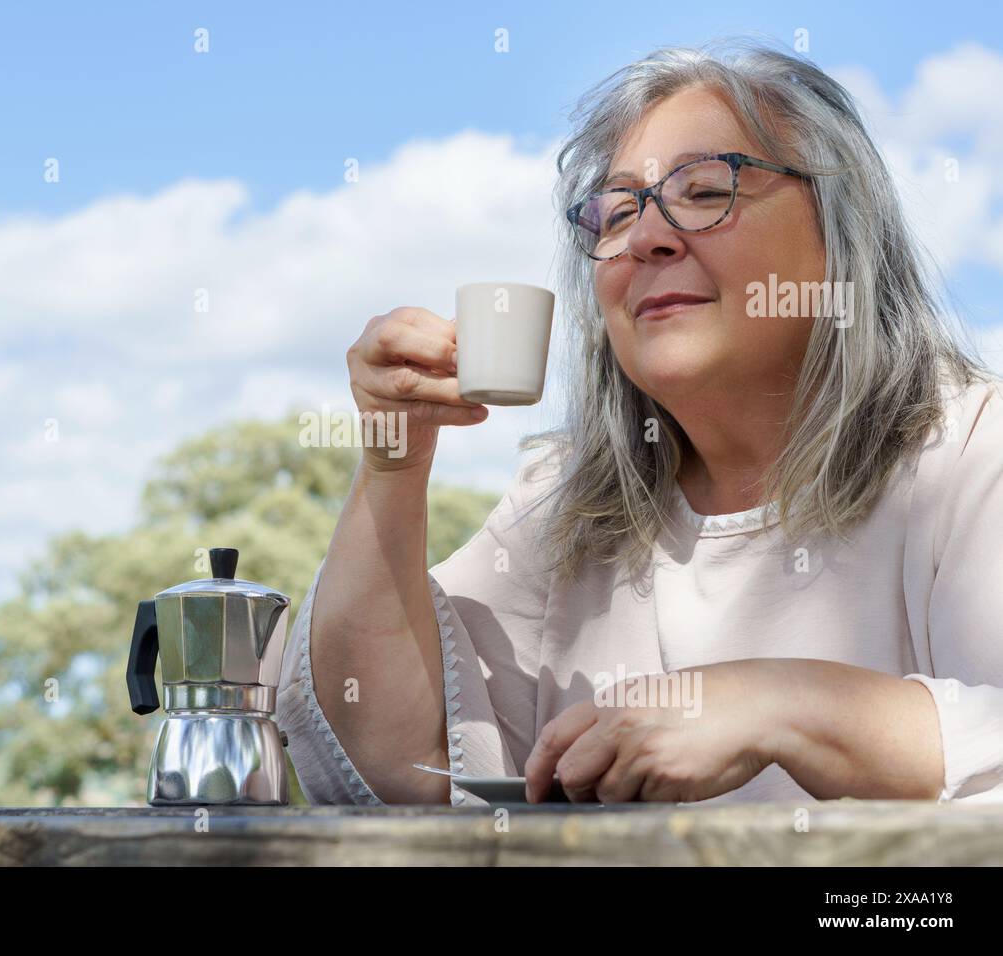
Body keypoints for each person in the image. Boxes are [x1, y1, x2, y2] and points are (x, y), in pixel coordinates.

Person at [276, 39, 1003, 807]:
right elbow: (392, 764)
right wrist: (394, 464)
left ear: (840, 234)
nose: (647, 237)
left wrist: (784, 702)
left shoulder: (972, 453)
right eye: (618, 211)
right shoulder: (564, 503)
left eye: (705, 189)